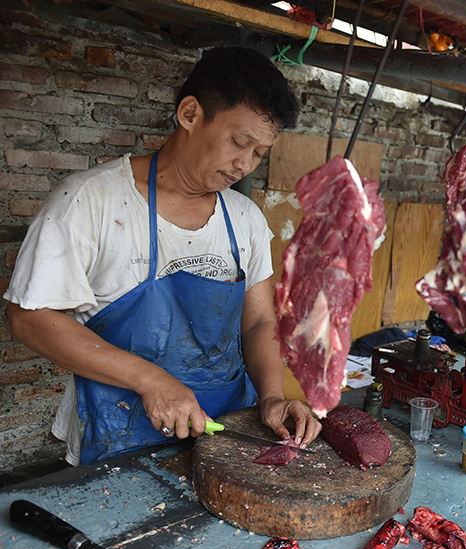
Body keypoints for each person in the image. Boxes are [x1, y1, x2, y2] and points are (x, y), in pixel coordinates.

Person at [4, 47, 322, 466]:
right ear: (190, 114)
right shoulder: (89, 201)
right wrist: (150, 380)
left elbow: (260, 320)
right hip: (120, 428)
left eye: (259, 153)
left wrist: (272, 397)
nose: (245, 164)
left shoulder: (243, 217)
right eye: (239, 142)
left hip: (228, 427)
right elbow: (30, 316)